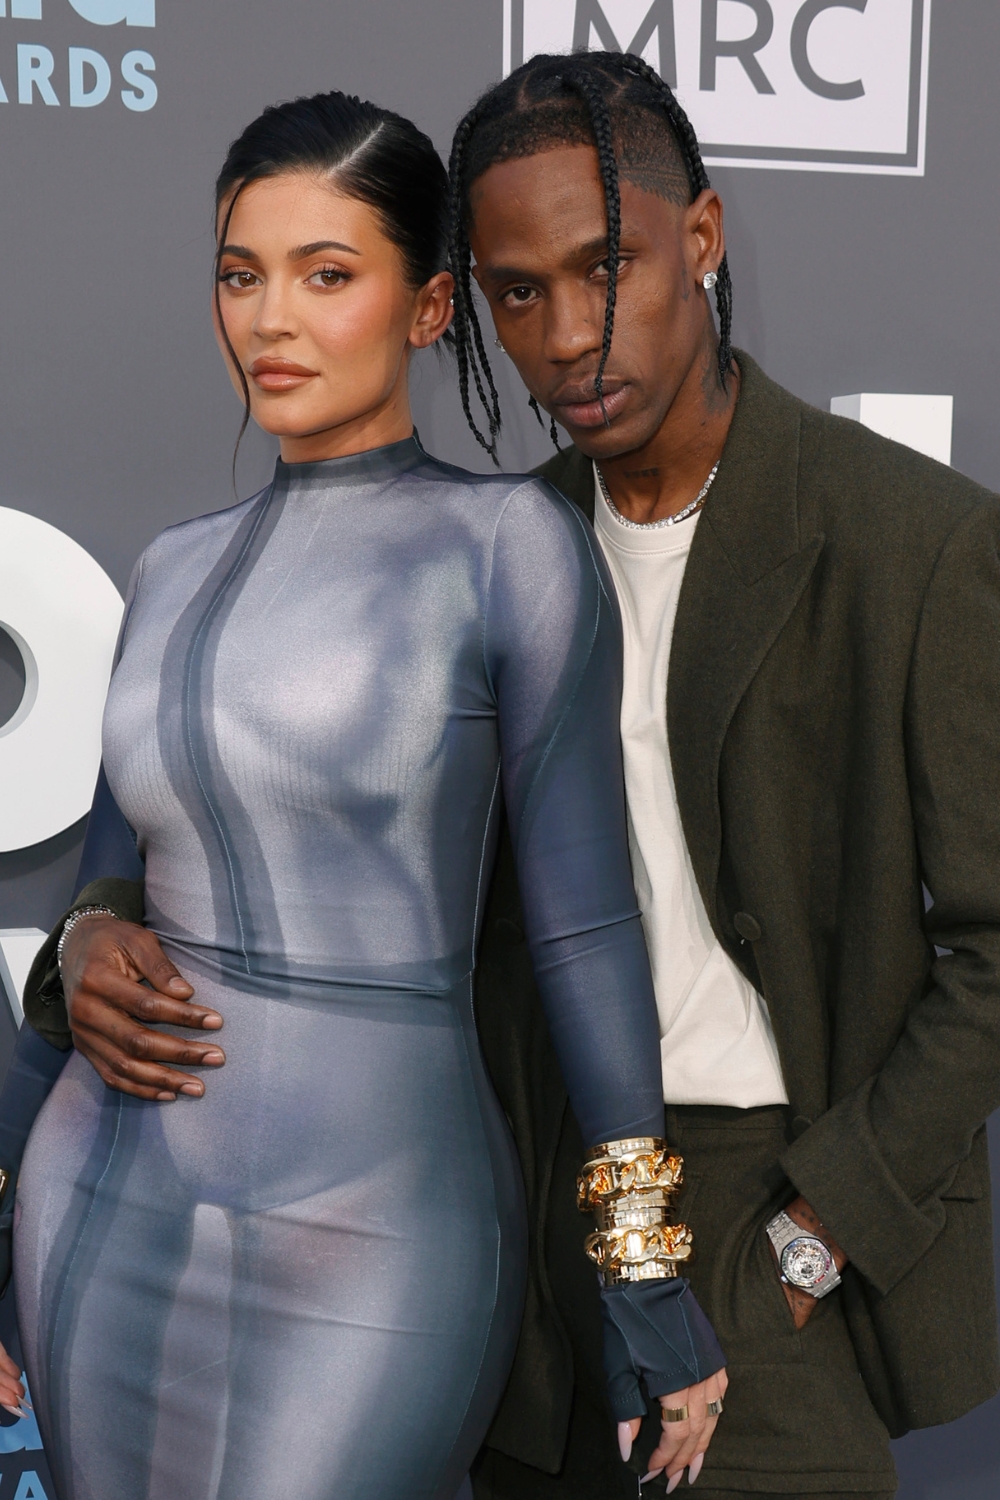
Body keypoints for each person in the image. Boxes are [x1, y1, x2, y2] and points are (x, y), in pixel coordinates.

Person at [19, 48, 1000, 1500]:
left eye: (608, 269)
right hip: (503, 1193)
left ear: (703, 239)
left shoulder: (909, 541)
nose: (569, 336)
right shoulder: (492, 536)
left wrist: (813, 1234)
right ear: (464, 306)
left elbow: (990, 948)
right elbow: (244, 818)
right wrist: (93, 928)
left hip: (754, 1204)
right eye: (519, 294)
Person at [0, 86, 730, 1499]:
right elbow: (105, 882)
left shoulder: (505, 547)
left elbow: (584, 929)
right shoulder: (169, 568)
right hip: (102, 1205)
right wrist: (72, 973)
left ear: (429, 305)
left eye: (326, 275)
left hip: (377, 1235)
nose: (270, 321)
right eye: (241, 275)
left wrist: (641, 1259)